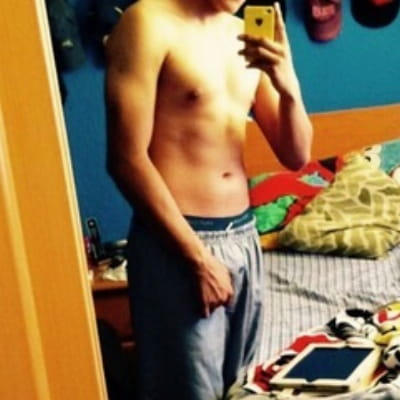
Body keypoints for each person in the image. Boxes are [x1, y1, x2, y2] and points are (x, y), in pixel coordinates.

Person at [104, 0, 313, 399]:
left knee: (241, 390)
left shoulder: (244, 34)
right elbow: (125, 159)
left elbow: (296, 154)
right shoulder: (148, 22)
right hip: (180, 243)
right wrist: (197, 259)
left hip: (244, 237)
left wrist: (289, 87)